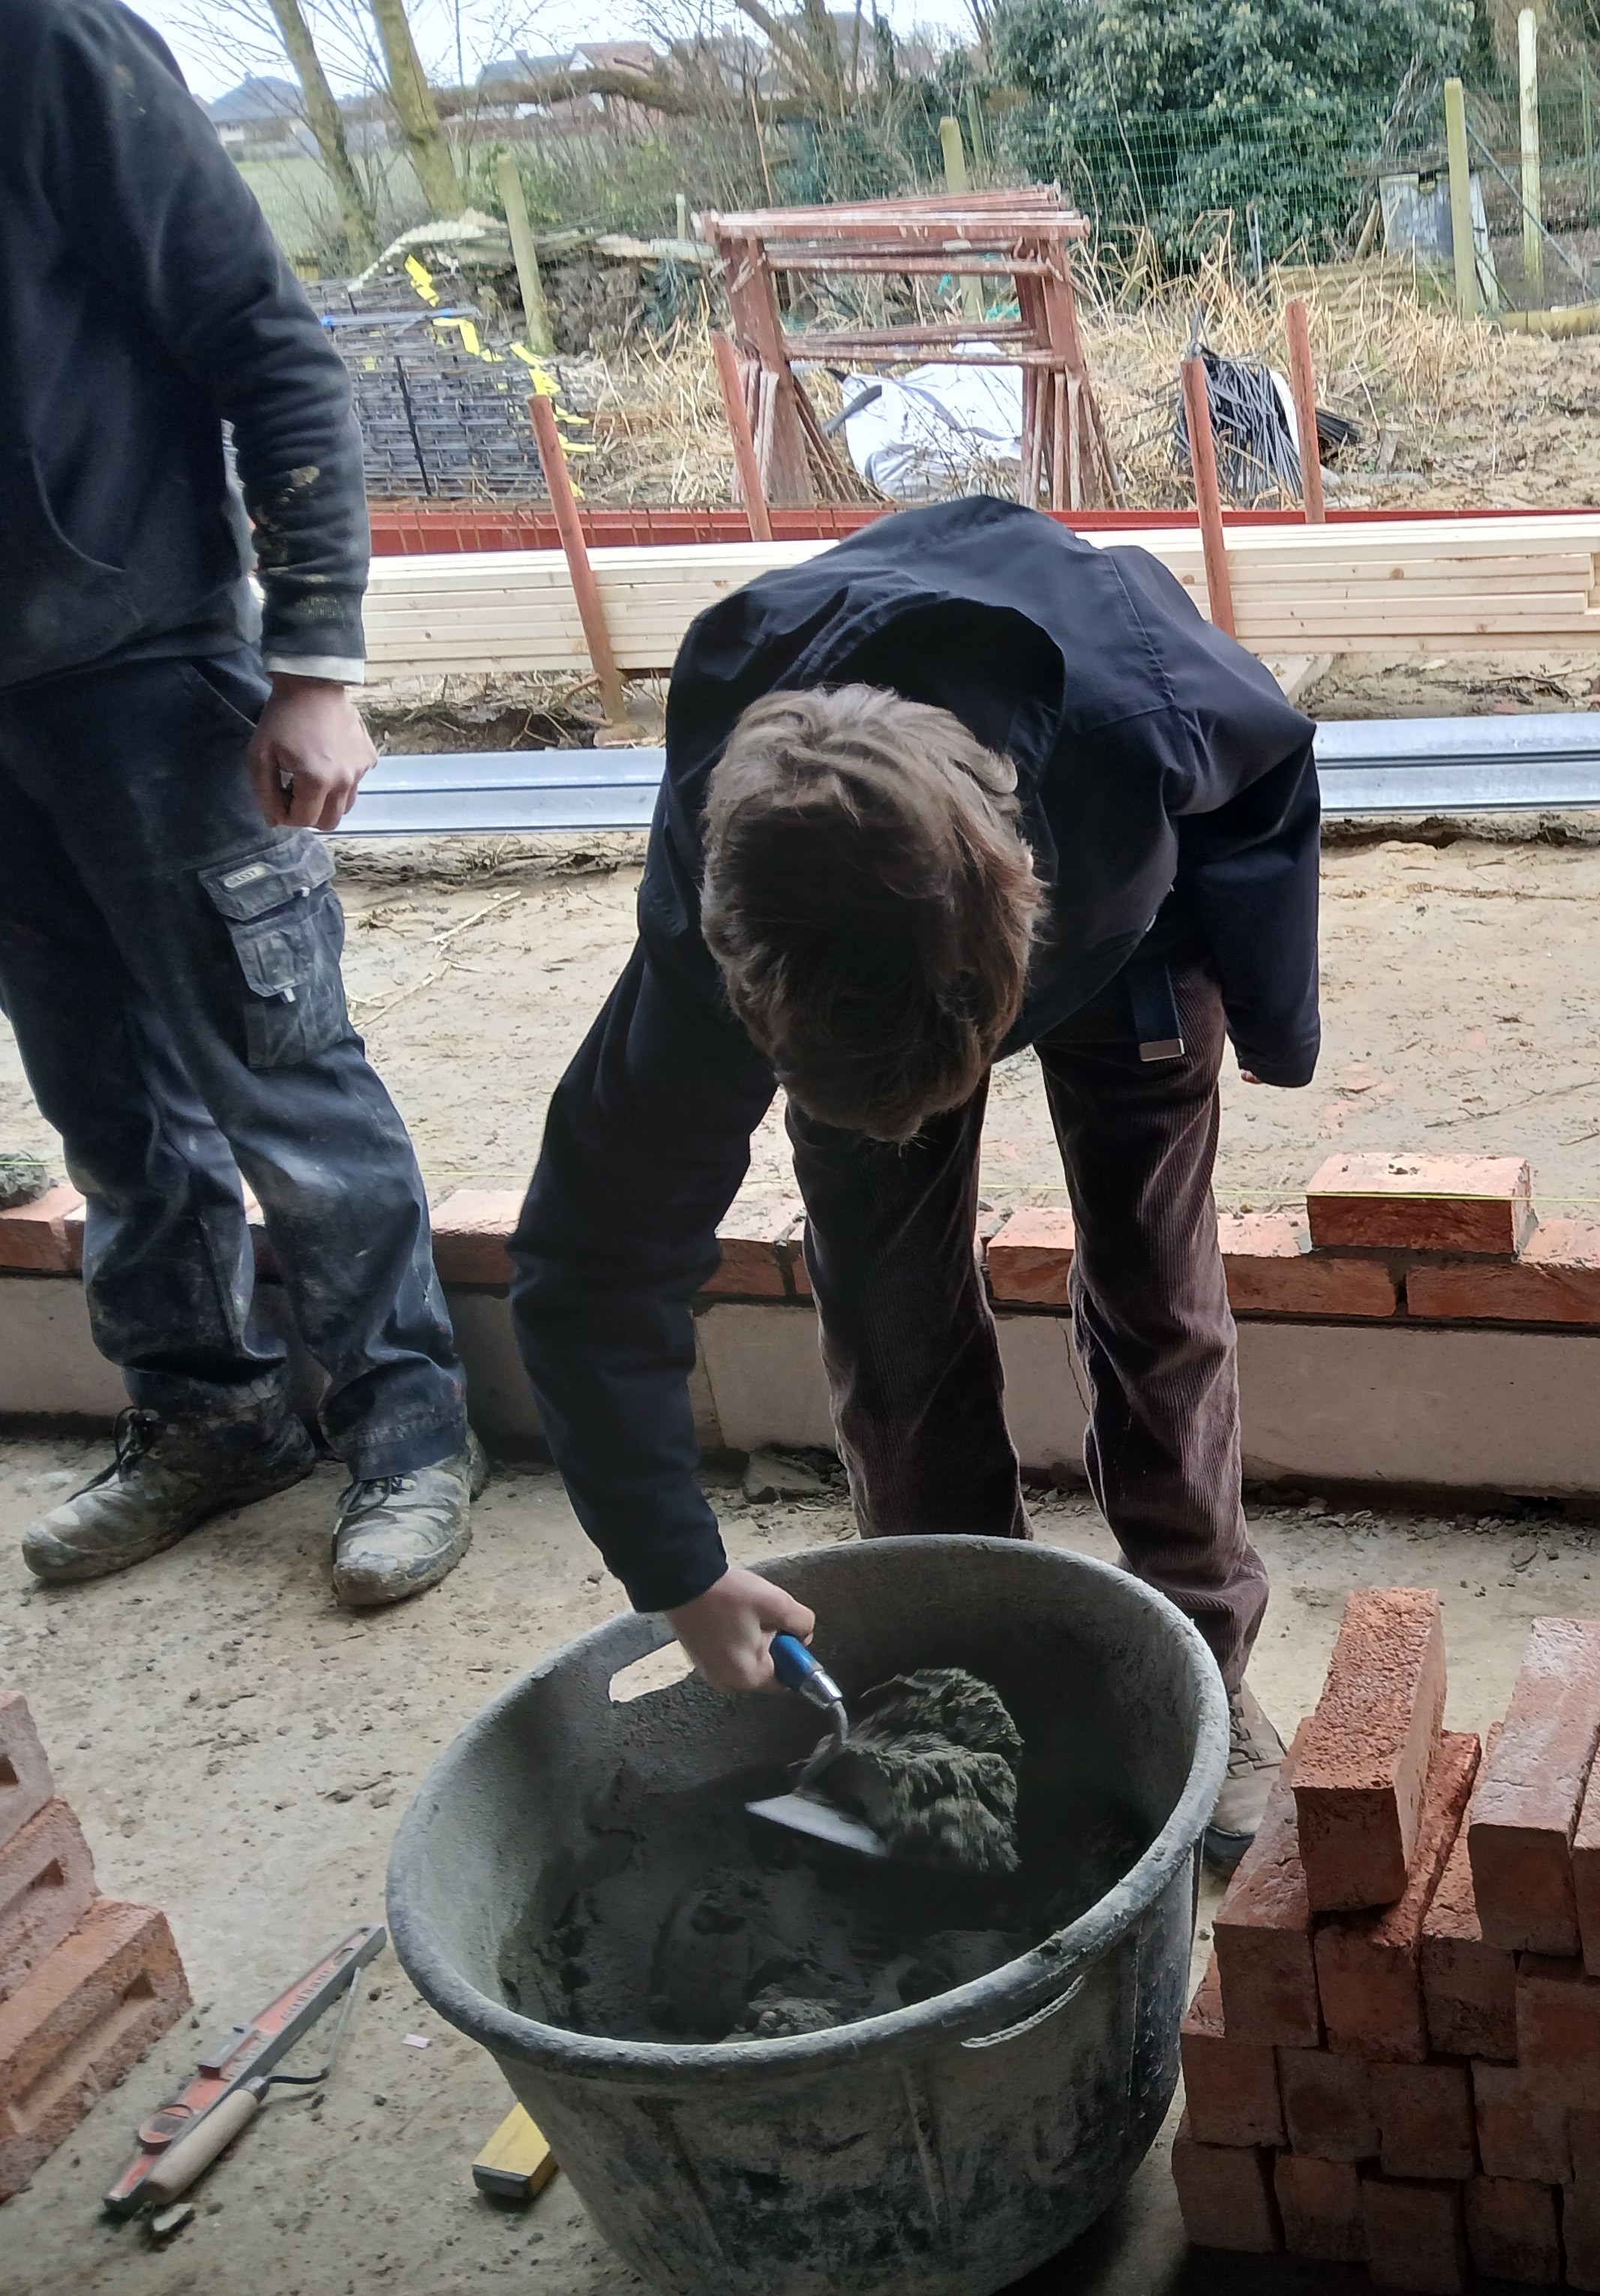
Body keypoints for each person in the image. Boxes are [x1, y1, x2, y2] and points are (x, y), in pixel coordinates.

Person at [509, 497, 1318, 1862]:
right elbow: (591, 1261)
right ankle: (962, 1680)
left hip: (1133, 921)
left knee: (1158, 1290)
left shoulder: (1139, 714)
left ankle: (1201, 1670)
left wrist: (1273, 1020)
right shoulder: (725, 928)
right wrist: (679, 1573)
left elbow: (1270, 777)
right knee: (891, 1326)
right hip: (871, 959)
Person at [2, 0, 482, 1603]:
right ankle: (208, 1415)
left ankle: (409, 1431)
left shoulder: (44, 44)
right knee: (104, 1104)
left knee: (282, 1077)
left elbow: (266, 342)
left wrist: (316, 659)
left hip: (149, 663)